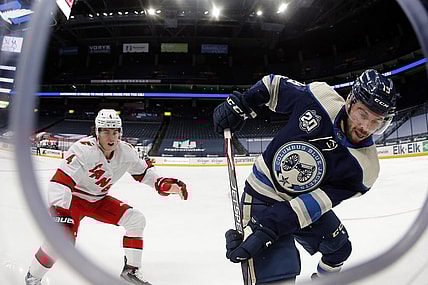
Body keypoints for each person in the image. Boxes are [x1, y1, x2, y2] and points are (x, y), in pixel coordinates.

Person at [213, 69, 397, 284]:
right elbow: (273, 85)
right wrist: (242, 105)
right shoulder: (320, 98)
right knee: (279, 276)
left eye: (377, 122)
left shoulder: (365, 169)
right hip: (264, 193)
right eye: (362, 114)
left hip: (298, 205)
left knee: (339, 249)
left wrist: (267, 228)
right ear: (349, 101)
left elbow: (309, 205)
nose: (366, 127)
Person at [25, 109, 188, 285]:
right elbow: (60, 183)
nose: (111, 137)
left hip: (98, 200)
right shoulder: (82, 150)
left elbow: (144, 173)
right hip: (73, 200)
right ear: (97, 132)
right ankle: (33, 277)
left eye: (115, 131)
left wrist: (163, 184)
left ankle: (131, 270)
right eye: (105, 131)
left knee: (136, 220)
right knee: (60, 238)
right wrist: (60, 211)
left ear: (120, 133)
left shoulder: (126, 151)